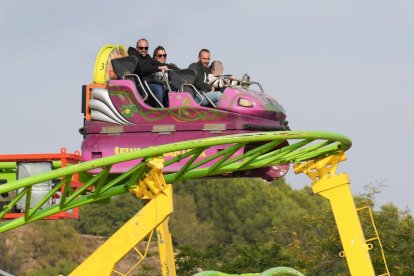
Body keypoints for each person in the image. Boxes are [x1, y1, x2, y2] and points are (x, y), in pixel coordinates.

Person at [127, 38, 168, 107]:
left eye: (146, 48)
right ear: (137, 48)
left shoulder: (148, 57)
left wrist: (177, 70)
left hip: (147, 83)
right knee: (158, 89)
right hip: (139, 85)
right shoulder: (134, 57)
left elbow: (158, 64)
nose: (143, 50)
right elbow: (142, 68)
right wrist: (158, 68)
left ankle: (169, 111)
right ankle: (159, 112)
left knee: (167, 90)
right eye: (141, 48)